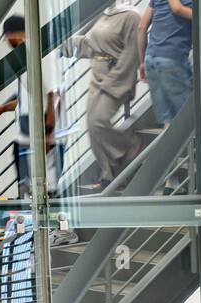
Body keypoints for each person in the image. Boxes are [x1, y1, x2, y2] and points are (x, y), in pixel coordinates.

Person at [0, 15, 64, 196]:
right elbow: (27, 99)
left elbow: (55, 95)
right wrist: (1, 109)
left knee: (46, 185)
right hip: (28, 128)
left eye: (7, 37)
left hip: (43, 127)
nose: (7, 42)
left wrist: (48, 132)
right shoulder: (24, 59)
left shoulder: (43, 56)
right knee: (26, 181)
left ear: (13, 35)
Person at [68, 3, 140, 190]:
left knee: (99, 121)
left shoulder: (131, 16)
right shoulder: (104, 13)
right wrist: (60, 45)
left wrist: (115, 82)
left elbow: (132, 53)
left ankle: (129, 144)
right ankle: (109, 176)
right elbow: (91, 43)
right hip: (96, 76)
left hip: (114, 76)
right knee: (93, 128)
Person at [138, 0, 193, 127]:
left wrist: (141, 63)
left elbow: (141, 26)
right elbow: (177, 9)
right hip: (172, 58)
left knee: (169, 120)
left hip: (151, 59)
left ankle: (174, 146)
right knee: (185, 118)